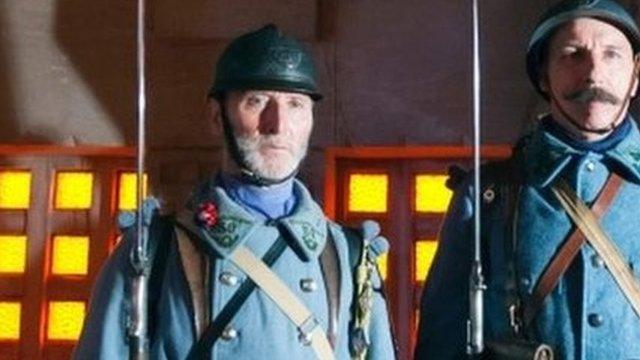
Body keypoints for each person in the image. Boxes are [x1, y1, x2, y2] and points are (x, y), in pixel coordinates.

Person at [74, 24, 395, 359]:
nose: (278, 124)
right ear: (217, 116)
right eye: (256, 101)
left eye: (295, 105)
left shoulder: (350, 255)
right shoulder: (154, 249)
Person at [415, 0, 640, 359]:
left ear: (636, 76)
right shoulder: (490, 193)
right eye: (573, 54)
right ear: (542, 76)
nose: (594, 72)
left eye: (612, 55)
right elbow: (442, 340)